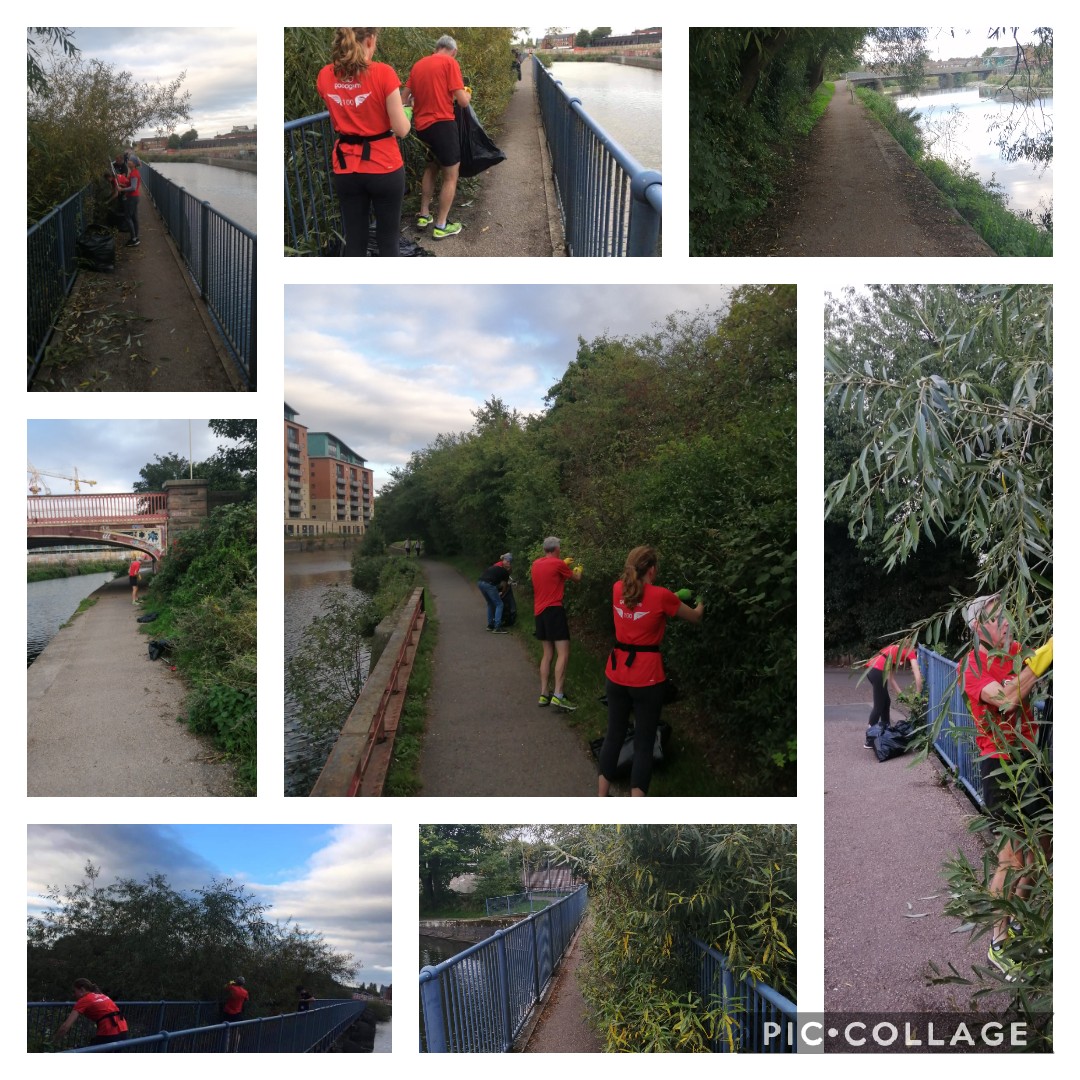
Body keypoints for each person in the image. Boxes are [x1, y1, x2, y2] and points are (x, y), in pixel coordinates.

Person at [962, 594, 1052, 981]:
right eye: (996, 619)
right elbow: (1008, 699)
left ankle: (1018, 922)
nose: (1005, 624)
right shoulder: (972, 665)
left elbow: (1036, 670)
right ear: (977, 627)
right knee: (1012, 857)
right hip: (1000, 765)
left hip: (1029, 758)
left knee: (1045, 844)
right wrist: (1047, 654)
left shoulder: (1015, 651)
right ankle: (998, 942)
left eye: (1005, 617)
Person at [597, 546, 704, 797]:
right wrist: (701, 600)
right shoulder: (662, 596)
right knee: (644, 744)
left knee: (613, 736)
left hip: (616, 673)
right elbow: (695, 617)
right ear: (653, 570)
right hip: (647, 678)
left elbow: (640, 603)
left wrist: (672, 597)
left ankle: (601, 796)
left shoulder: (617, 589)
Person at [316, 27, 411, 257]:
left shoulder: (325, 75)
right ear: (370, 40)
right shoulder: (383, 73)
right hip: (383, 166)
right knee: (388, 240)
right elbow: (401, 129)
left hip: (346, 167)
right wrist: (407, 112)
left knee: (355, 240)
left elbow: (340, 111)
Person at [404, 35, 472, 240]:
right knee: (451, 176)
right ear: (454, 51)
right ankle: (441, 225)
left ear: (436, 47)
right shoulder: (450, 63)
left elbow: (404, 98)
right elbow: (462, 102)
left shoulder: (418, 65)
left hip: (422, 128)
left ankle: (424, 214)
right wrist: (467, 94)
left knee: (431, 168)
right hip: (443, 126)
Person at [531, 537, 582, 710]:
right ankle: (559, 695)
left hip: (539, 613)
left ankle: (544, 694)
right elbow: (576, 578)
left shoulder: (536, 564)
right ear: (557, 549)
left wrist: (563, 565)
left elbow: (551, 579)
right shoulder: (558, 564)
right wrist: (577, 569)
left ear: (545, 549)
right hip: (554, 611)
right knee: (563, 653)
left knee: (547, 654)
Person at [862, 637, 923, 747]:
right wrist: (918, 694)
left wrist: (901, 695)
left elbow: (891, 679)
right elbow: (917, 676)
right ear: (913, 647)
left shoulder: (895, 648)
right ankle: (870, 739)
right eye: (916, 651)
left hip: (872, 671)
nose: (915, 654)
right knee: (879, 706)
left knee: (886, 702)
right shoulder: (910, 652)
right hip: (878, 672)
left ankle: (886, 730)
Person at [54, 978, 129, 1045]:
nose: (73, 994)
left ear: (82, 989)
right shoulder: (101, 995)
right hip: (123, 1029)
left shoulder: (84, 1000)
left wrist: (54, 1042)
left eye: (74, 991)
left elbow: (65, 1026)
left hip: (109, 1031)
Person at [478, 553, 513, 633]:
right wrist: (501, 593)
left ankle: (490, 625)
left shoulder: (496, 566)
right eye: (508, 562)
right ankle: (497, 627)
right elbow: (504, 586)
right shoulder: (505, 572)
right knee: (499, 604)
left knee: (490, 603)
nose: (509, 563)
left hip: (480, 582)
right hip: (489, 584)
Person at [116, 152, 141, 247]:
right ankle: (135, 237)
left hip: (132, 197)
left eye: (130, 161)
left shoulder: (134, 173)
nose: (128, 161)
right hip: (134, 197)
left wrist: (122, 189)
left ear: (133, 164)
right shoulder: (133, 172)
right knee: (134, 218)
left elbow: (133, 187)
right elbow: (130, 184)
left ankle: (134, 239)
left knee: (128, 217)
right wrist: (122, 184)